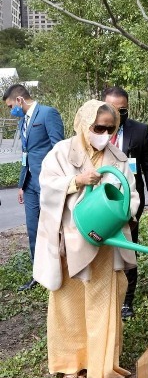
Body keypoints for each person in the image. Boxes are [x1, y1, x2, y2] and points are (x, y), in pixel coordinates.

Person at [32, 100, 138, 378]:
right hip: (71, 243)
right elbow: (47, 184)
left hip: (105, 245)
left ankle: (100, 362)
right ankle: (70, 364)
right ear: (83, 123)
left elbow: (133, 196)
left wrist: (121, 210)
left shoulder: (118, 157)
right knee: (68, 303)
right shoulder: (62, 152)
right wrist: (77, 180)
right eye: (97, 127)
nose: (103, 133)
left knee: (104, 303)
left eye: (109, 128)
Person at [102, 86, 148, 319]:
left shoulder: (140, 131)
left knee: (128, 248)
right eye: (112, 109)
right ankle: (106, 293)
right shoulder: (96, 131)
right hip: (101, 202)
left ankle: (127, 300)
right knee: (102, 248)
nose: (117, 114)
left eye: (122, 109)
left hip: (130, 204)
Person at [2, 84, 64, 291]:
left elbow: (59, 149)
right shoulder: (22, 122)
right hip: (29, 185)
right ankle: (38, 274)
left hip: (47, 183)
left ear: (19, 100)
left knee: (53, 228)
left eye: (11, 105)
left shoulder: (48, 114)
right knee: (33, 230)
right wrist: (21, 184)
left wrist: (56, 180)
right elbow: (25, 155)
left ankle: (58, 271)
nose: (12, 110)